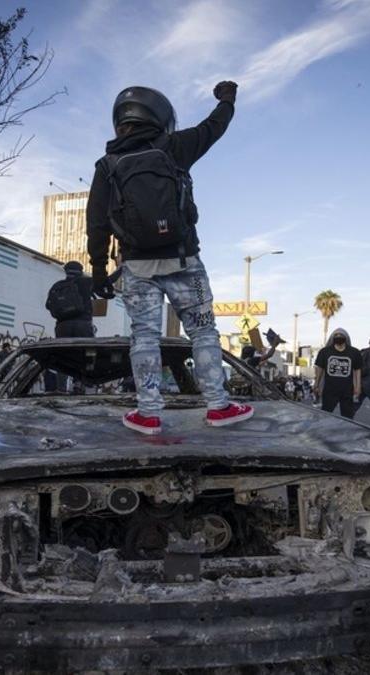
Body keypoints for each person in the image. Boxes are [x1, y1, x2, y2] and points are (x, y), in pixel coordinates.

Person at [86, 81, 252, 435]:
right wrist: (227, 100)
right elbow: (214, 128)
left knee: (143, 335)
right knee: (204, 331)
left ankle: (148, 414)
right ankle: (219, 407)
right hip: (183, 259)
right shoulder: (174, 146)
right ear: (159, 116)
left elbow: (97, 222)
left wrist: (99, 268)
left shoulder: (107, 165)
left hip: (136, 265)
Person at [314, 328, 362, 418]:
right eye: (336, 336)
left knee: (347, 416)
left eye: (341, 336)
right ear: (332, 338)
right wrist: (317, 384)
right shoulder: (325, 352)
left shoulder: (354, 352)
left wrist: (358, 386)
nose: (339, 337)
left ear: (346, 338)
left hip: (347, 390)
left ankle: (346, 431)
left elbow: (357, 370)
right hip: (329, 390)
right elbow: (319, 369)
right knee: (325, 414)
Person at [46, 261, 96, 338]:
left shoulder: (57, 286)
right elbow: (108, 280)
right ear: (81, 272)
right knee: (84, 349)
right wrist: (120, 269)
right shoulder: (87, 282)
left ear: (66, 271)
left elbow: (48, 305)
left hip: (62, 327)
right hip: (83, 326)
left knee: (64, 349)